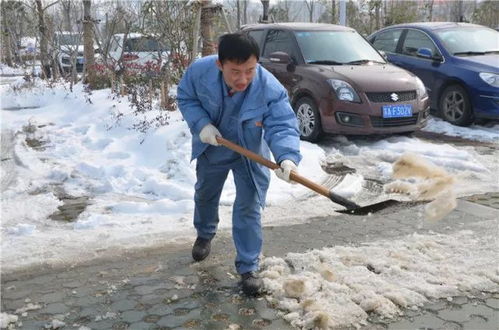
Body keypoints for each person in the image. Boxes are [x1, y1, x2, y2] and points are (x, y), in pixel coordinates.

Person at [177, 33, 302, 296]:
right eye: (235, 71)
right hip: (214, 144)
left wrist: (287, 157)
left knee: (248, 206)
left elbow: (281, 124)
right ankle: (205, 232)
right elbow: (186, 97)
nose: (243, 79)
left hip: (250, 152)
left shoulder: (268, 87)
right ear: (219, 65)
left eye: (250, 70)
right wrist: (201, 124)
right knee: (206, 193)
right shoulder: (199, 73)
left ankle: (248, 267)